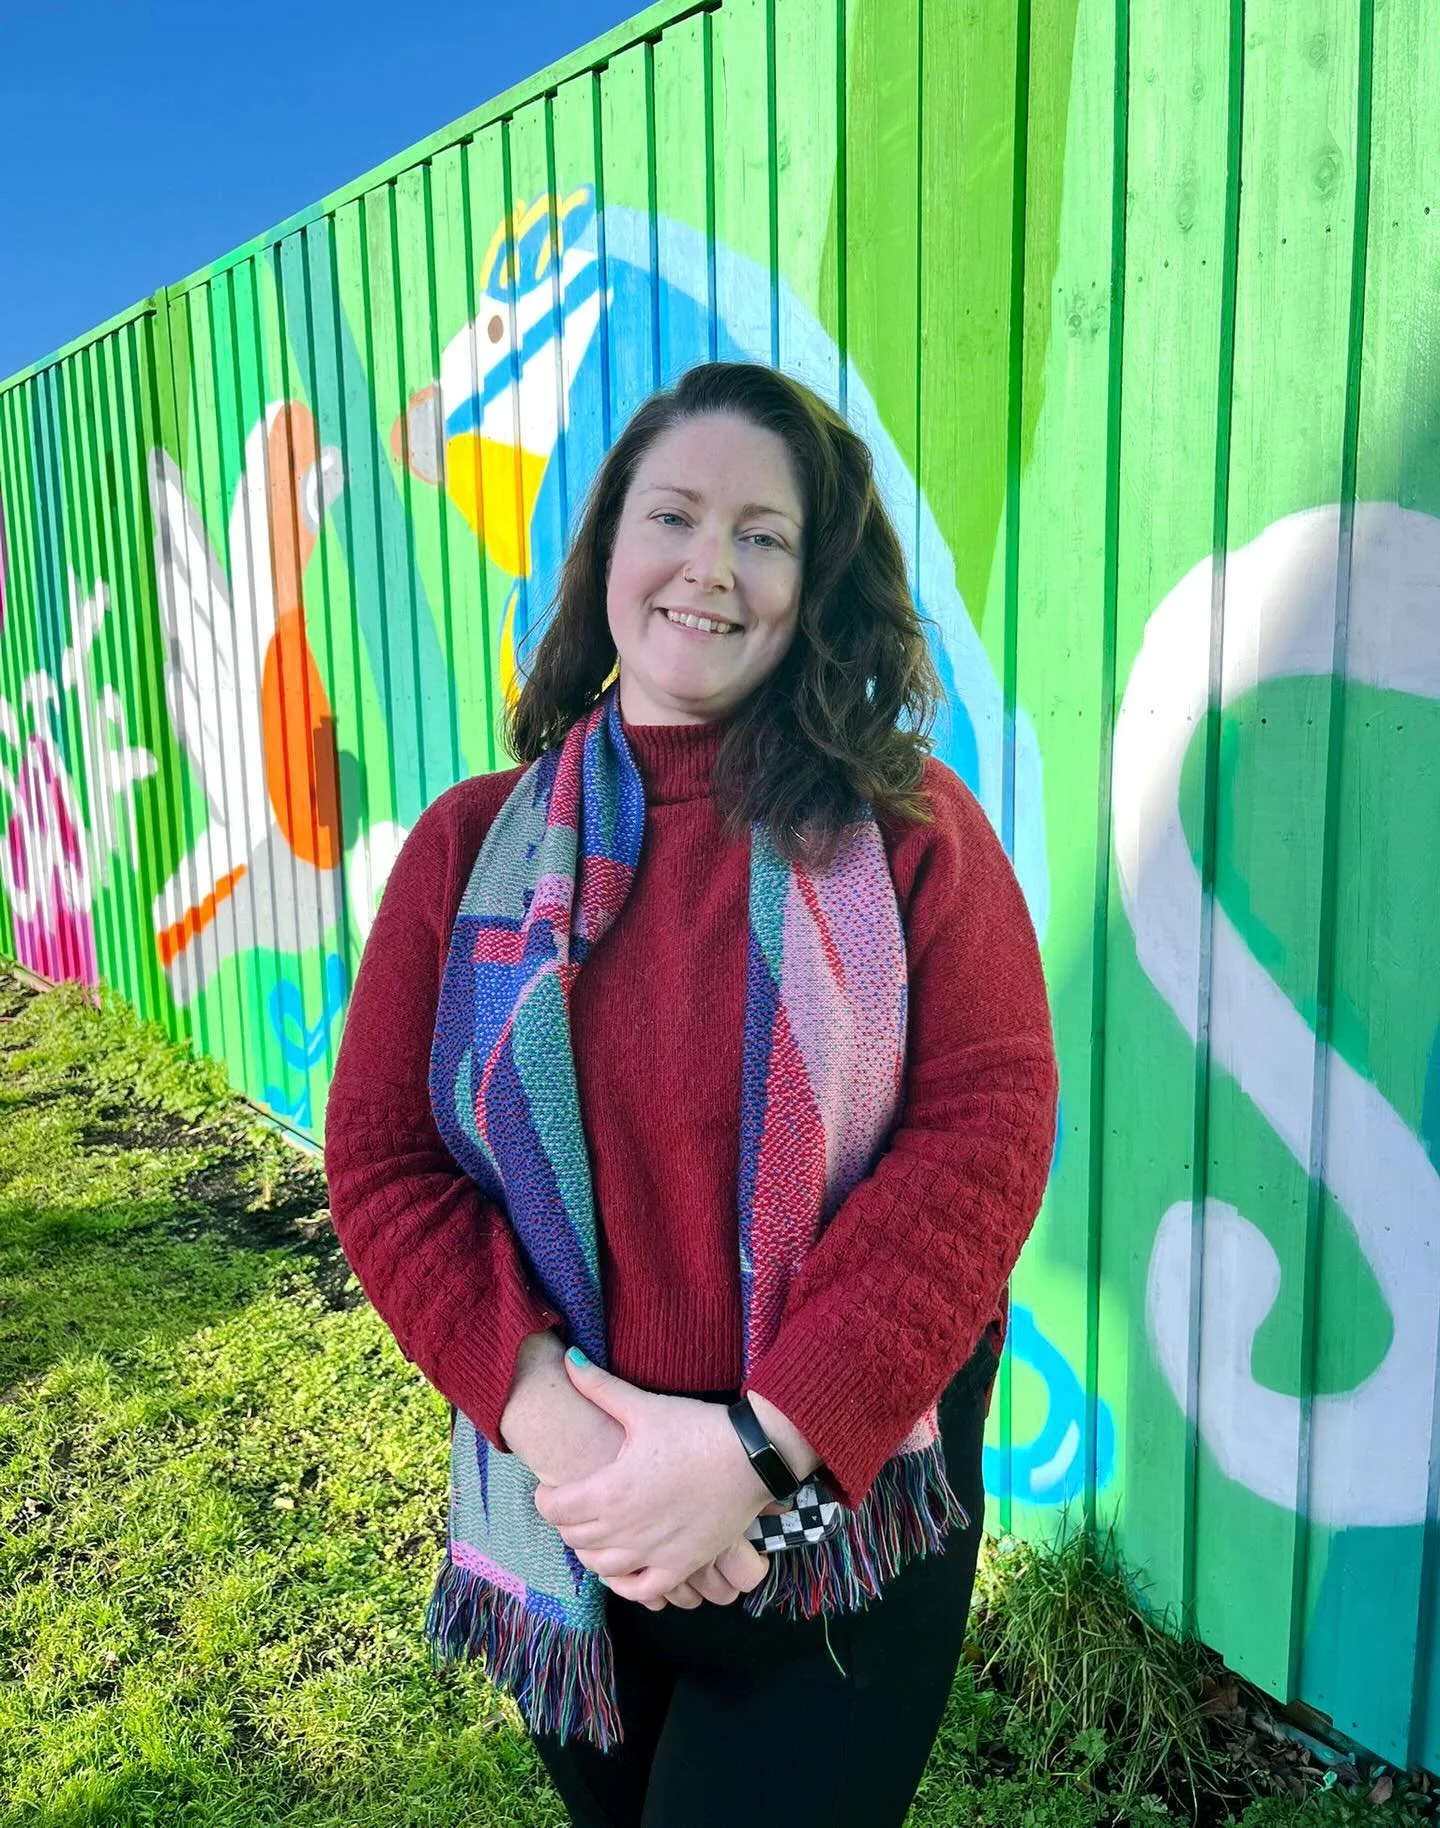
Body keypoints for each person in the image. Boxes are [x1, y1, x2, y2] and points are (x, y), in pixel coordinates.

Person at [324, 360, 1058, 1827]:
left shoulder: (911, 828)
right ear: (609, 548)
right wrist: (583, 1446)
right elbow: (385, 1160)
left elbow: (982, 1140)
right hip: (576, 1526)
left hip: (838, 1547)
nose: (710, 567)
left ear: (813, 573)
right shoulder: (472, 849)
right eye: (675, 515)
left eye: (764, 533)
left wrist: (747, 1458)